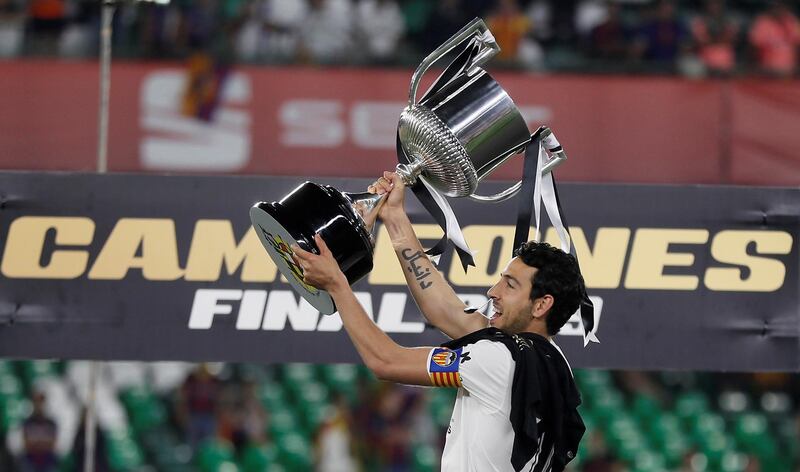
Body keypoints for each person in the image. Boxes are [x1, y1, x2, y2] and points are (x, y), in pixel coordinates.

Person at [292, 171, 586, 471]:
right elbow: (446, 312)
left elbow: (386, 361)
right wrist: (395, 219)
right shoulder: (547, 356)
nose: (493, 291)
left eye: (510, 285)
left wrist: (337, 286)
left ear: (541, 305)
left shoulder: (498, 359)